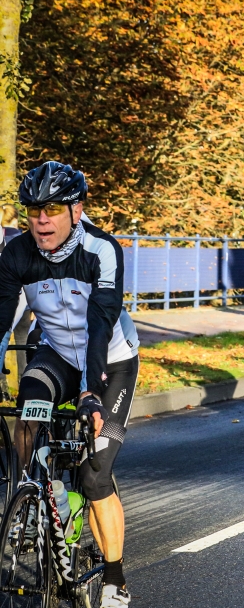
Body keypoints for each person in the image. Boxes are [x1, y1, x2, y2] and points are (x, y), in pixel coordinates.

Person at [0, 162, 140, 607]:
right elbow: (1, 322)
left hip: (111, 362)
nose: (41, 219)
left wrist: (90, 393)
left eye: (53, 209)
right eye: (33, 209)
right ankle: (29, 494)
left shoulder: (102, 250)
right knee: (30, 407)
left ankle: (116, 579)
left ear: (76, 211)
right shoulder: (16, 252)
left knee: (95, 474)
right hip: (57, 354)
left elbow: (99, 326)